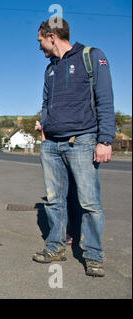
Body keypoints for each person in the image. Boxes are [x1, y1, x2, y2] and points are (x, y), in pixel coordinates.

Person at [33, 18, 115, 277]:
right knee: (55, 201)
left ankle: (93, 255)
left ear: (52, 36)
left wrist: (105, 140)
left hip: (81, 141)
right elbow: (46, 102)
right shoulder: (50, 69)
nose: (39, 47)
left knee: (89, 202)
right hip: (51, 146)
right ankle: (55, 247)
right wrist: (45, 129)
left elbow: (105, 99)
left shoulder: (91, 56)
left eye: (40, 41)